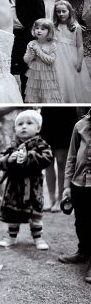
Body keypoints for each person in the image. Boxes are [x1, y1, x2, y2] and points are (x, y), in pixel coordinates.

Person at [0, 110, 53, 250]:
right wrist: (9, 159)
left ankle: (38, 238)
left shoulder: (41, 143)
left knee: (36, 216)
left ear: (38, 128)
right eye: (20, 124)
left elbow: (47, 158)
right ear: (15, 128)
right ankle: (11, 237)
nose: (24, 126)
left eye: (29, 123)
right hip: (14, 188)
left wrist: (30, 157)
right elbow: (0, 163)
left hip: (33, 187)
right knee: (12, 216)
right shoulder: (12, 145)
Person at [59, 110, 91, 284]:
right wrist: (67, 186)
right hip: (79, 183)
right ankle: (83, 251)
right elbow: (71, 157)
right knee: (81, 221)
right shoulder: (80, 126)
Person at [53, 0, 91, 102]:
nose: (61, 14)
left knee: (71, 80)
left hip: (71, 57)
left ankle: (71, 99)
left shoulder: (75, 27)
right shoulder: (53, 26)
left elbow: (79, 46)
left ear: (69, 11)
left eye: (64, 11)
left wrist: (79, 62)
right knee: (59, 78)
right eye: (58, 11)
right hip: (57, 57)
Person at [23, 19, 61, 103]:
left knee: (47, 95)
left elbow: (51, 60)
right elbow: (26, 60)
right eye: (37, 28)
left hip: (48, 75)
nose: (39, 31)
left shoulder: (52, 44)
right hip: (35, 75)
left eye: (43, 29)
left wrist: (38, 51)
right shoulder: (31, 43)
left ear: (49, 31)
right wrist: (32, 54)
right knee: (35, 95)